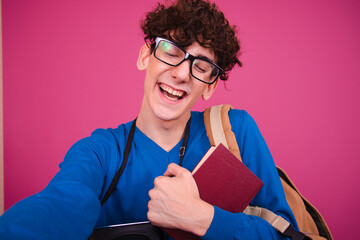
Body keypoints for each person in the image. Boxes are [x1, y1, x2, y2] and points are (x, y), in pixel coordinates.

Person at [0, 0, 298, 239]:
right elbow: (58, 208)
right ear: (145, 56)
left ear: (209, 86)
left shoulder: (236, 131)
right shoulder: (99, 153)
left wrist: (202, 218)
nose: (181, 74)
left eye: (202, 65)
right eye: (171, 50)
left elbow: (288, 236)